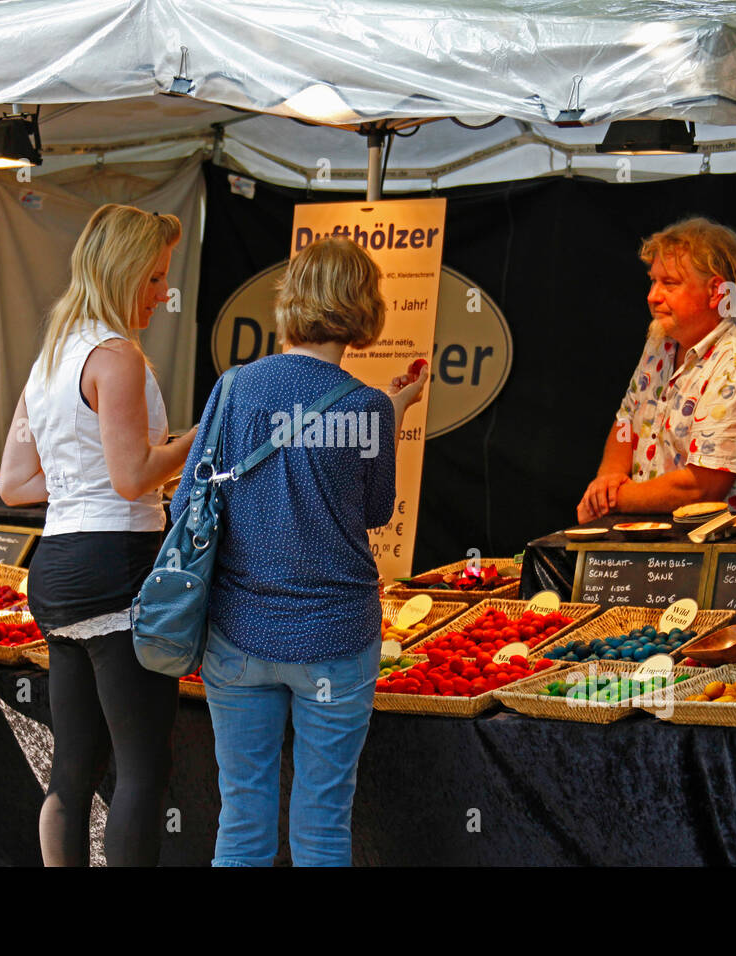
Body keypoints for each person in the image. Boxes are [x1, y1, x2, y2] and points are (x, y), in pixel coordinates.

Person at [172, 236, 427, 867]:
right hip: (336, 642)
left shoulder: (233, 391)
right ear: (362, 307)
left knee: (242, 820)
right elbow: (373, 511)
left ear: (292, 301)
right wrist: (391, 412)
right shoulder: (367, 408)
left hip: (237, 636)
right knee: (322, 826)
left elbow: (186, 507)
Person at [0, 203, 197, 867]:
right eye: (152, 278)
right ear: (122, 273)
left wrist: (84, 474)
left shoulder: (50, 356)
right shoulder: (117, 356)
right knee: (143, 770)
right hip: (117, 562)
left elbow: (15, 484)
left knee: (72, 769)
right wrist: (195, 441)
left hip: (56, 568)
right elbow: (132, 477)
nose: (159, 293)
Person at [576, 217, 736, 523]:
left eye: (669, 283)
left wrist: (609, 500)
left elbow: (701, 490)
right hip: (670, 540)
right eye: (653, 281)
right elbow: (627, 420)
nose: (653, 295)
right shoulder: (661, 341)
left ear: (716, 291)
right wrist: (608, 478)